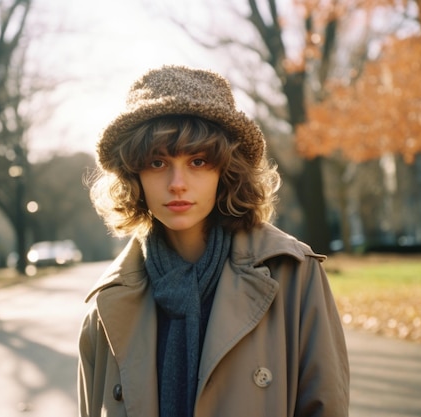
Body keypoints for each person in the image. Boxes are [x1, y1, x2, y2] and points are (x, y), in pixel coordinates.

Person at [78, 65, 349, 417]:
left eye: (198, 160)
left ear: (226, 170)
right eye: (157, 162)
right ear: (134, 175)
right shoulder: (106, 306)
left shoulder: (293, 275)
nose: (178, 182)